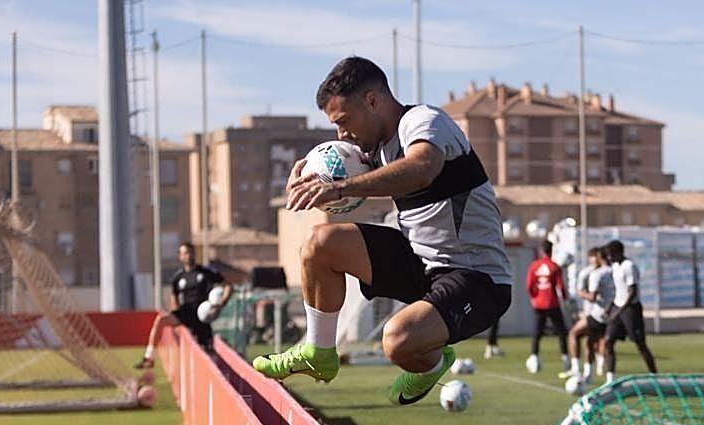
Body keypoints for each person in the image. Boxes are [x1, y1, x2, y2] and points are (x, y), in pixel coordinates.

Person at [252, 56, 513, 405]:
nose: (341, 134)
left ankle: (431, 361)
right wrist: (311, 185)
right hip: (418, 262)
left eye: (344, 121)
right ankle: (319, 351)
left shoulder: (423, 122)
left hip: (476, 278)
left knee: (397, 341)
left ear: (373, 101)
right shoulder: (375, 150)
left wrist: (343, 188)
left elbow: (421, 169)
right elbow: (351, 179)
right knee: (320, 243)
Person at [136, 241, 231, 368]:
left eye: (190, 252)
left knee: (209, 355)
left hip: (203, 315)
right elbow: (174, 297)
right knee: (160, 320)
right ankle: (149, 357)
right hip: (186, 313)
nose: (188, 255)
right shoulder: (178, 277)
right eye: (185, 253)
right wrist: (176, 313)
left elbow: (228, 285)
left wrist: (222, 303)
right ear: (180, 256)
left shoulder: (205, 272)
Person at [603, 239, 657, 382]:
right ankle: (610, 380)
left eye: (610, 254)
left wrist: (619, 310)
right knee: (608, 341)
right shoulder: (615, 266)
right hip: (618, 307)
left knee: (640, 344)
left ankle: (654, 375)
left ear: (619, 252)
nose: (609, 258)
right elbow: (618, 290)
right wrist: (610, 307)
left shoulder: (629, 266)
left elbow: (632, 291)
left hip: (630, 309)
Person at [560, 245, 615, 383]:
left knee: (576, 334)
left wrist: (581, 294)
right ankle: (592, 372)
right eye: (593, 256)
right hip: (602, 312)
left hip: (597, 313)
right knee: (593, 342)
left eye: (597, 256)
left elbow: (591, 296)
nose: (595, 259)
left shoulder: (598, 273)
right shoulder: (588, 272)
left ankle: (578, 369)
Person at [525, 240, 569, 374]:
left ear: (541, 251)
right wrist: (566, 300)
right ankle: (566, 359)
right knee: (561, 332)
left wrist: (533, 298)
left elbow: (529, 286)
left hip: (539, 303)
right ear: (551, 251)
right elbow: (560, 286)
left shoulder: (534, 266)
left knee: (537, 332)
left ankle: (534, 357)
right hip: (552, 302)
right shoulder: (554, 266)